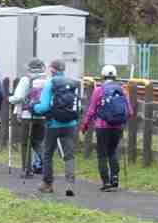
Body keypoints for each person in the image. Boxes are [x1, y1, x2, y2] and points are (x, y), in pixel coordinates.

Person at [31, 58, 82, 196]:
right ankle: (70, 184)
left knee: (48, 154)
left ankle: (47, 184)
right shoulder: (73, 83)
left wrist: (33, 107)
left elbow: (44, 107)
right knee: (69, 155)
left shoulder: (50, 83)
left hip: (53, 124)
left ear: (52, 70)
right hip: (71, 124)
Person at [80, 64, 131, 192]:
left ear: (102, 76)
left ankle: (106, 182)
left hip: (102, 127)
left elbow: (91, 110)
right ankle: (115, 178)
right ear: (115, 76)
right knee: (112, 152)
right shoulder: (123, 90)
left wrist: (85, 125)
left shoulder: (99, 90)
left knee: (102, 154)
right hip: (118, 127)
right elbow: (130, 111)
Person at [10, 59, 48, 177]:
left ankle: (27, 170)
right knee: (38, 142)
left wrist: (10, 99)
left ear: (30, 68)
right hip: (42, 115)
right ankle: (47, 166)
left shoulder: (26, 79)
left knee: (25, 143)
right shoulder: (47, 80)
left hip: (27, 115)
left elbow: (19, 97)